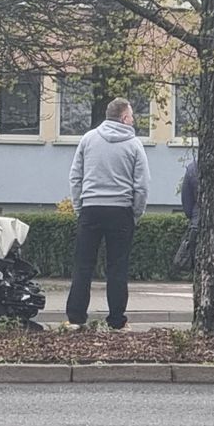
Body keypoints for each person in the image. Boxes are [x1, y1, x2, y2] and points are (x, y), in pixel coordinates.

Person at [63, 97, 150, 332]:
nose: (133, 120)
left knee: (83, 265)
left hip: (91, 208)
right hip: (120, 211)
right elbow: (141, 185)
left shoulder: (88, 139)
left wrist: (80, 207)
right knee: (117, 267)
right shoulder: (134, 145)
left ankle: (75, 318)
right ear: (123, 118)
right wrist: (136, 213)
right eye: (131, 116)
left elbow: (75, 176)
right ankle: (117, 321)